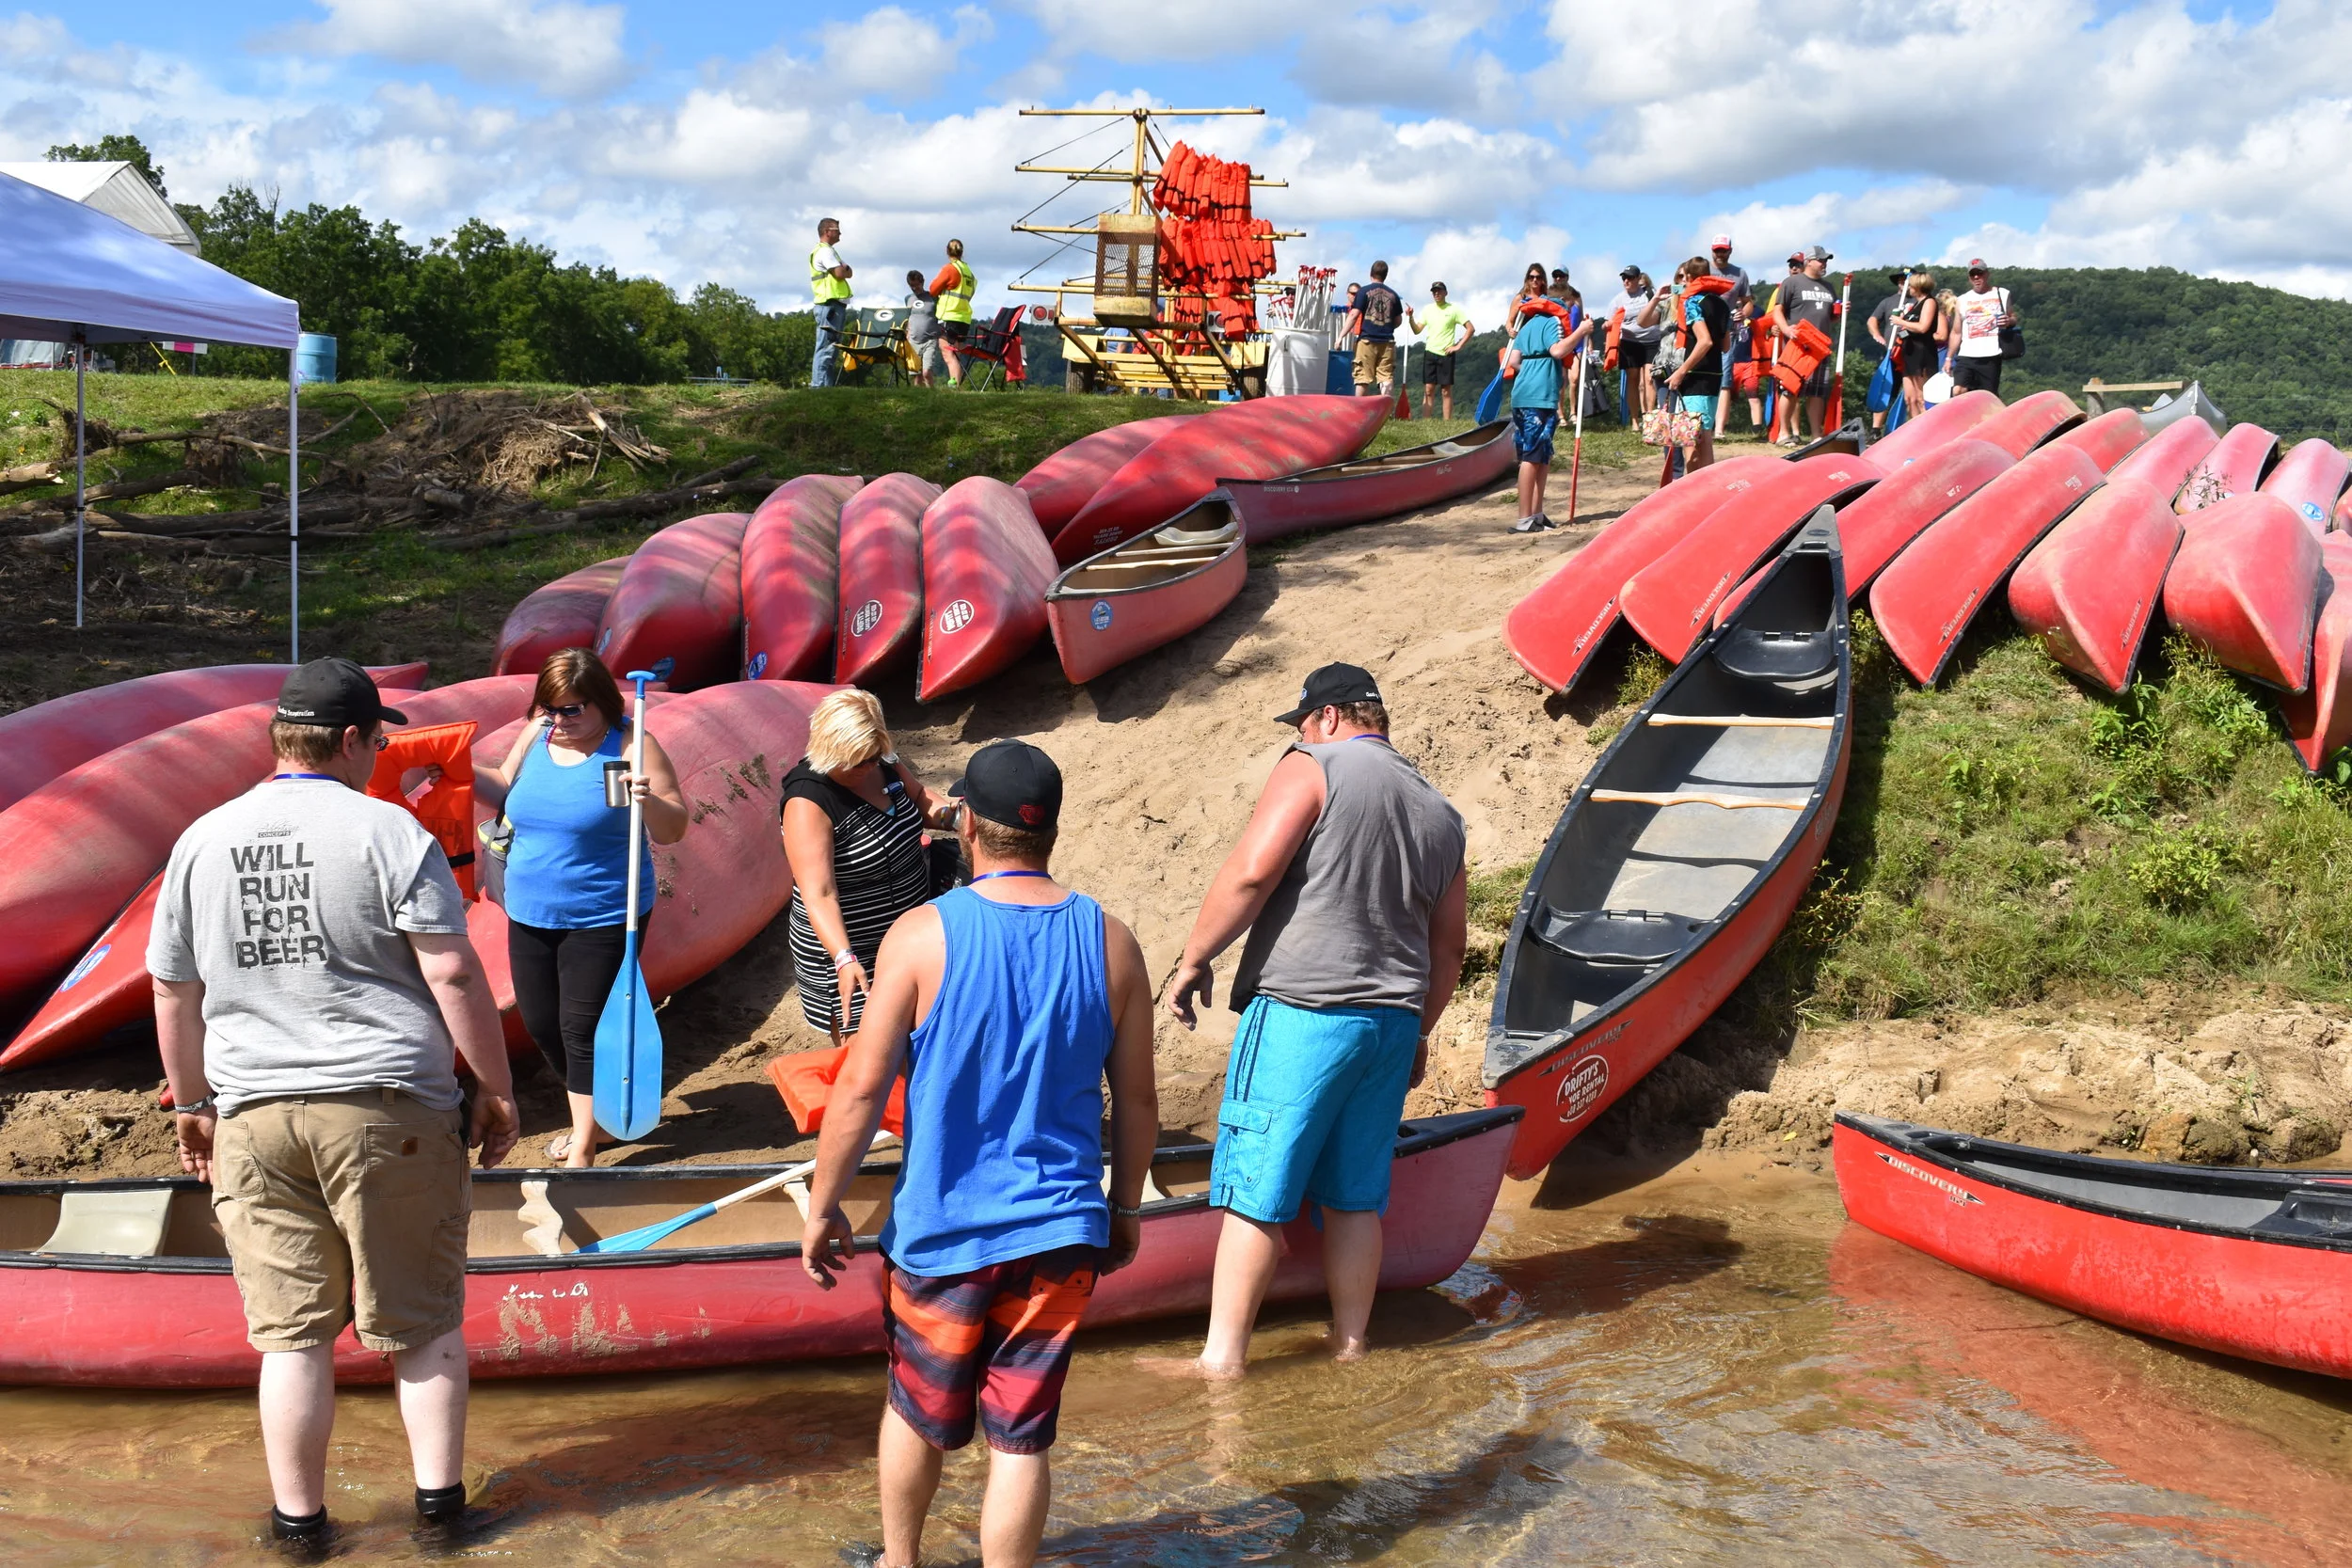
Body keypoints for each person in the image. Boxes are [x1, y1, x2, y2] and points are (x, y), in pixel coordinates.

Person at [151, 658, 521, 1551]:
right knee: (422, 1324)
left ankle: (300, 1527)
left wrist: (194, 1102)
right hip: (386, 1108)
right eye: (378, 742)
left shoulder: (203, 837)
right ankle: (442, 1522)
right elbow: (453, 968)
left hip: (253, 1114)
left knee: (291, 1336)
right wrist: (497, 1087)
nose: (380, 757)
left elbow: (174, 991)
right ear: (351, 739)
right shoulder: (388, 830)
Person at [800, 738, 1158, 1568]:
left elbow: (858, 1091)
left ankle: (900, 1559)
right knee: (1022, 1439)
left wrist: (824, 1207)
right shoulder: (1113, 940)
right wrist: (1128, 1207)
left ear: (967, 824)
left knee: (916, 1407)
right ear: (1051, 831)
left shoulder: (921, 934)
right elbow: (1135, 1101)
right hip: (1061, 1227)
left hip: (942, 1232)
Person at [1159, 663, 1468, 1377]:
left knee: (1256, 1190)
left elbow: (1250, 872)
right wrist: (1418, 1030)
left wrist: (1195, 957)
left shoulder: (1313, 765)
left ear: (1329, 716)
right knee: (1356, 1197)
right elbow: (1447, 947)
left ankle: (1222, 1360)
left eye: (1301, 722)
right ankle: (1351, 1345)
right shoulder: (1440, 811)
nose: (1298, 735)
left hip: (1306, 1010)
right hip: (1390, 1023)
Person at [474, 649, 687, 1167]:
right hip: (529, 910)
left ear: (603, 704)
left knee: (581, 1028)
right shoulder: (538, 734)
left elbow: (674, 827)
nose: (560, 721)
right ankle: (603, 1119)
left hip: (605, 913)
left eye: (573, 710)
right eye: (550, 708)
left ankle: (585, 1144)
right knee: (543, 1023)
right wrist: (455, 766)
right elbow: (503, 785)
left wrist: (647, 799)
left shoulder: (633, 743)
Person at [780, 689, 955, 1050]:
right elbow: (819, 892)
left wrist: (958, 817)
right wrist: (844, 959)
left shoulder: (883, 761)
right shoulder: (807, 801)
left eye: (873, 757)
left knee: (922, 1036)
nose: (868, 767)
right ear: (830, 750)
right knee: (868, 1053)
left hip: (907, 932)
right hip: (851, 946)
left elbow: (920, 799)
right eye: (856, 760)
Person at [1501, 276, 1575, 532]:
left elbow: (1514, 361)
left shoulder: (1528, 323)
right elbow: (1557, 351)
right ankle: (1524, 519)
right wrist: (1582, 333)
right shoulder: (1554, 321)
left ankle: (1536, 515)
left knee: (1541, 456)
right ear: (1563, 301)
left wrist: (1532, 368)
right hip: (1539, 397)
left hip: (1522, 395)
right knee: (1532, 458)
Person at [1662, 256, 1733, 470]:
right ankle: (1708, 489)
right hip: (1715, 376)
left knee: (1691, 441)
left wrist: (1681, 372)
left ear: (1691, 278)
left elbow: (1705, 341)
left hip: (1695, 378)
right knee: (1706, 437)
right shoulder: (1722, 303)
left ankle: (1695, 492)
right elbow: (1725, 346)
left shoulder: (1693, 301)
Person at [1768, 245, 1840, 443]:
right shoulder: (1792, 282)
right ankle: (1784, 433)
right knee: (1791, 389)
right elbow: (1778, 311)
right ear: (1809, 261)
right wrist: (1786, 330)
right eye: (1821, 260)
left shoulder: (1829, 287)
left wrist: (1840, 313)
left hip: (1821, 346)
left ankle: (1817, 435)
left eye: (1826, 261)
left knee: (1817, 392)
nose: (1824, 264)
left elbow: (1830, 317)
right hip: (1799, 344)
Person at [1950, 259, 2018, 395]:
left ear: (1987, 274)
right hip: (1966, 354)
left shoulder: (2002, 293)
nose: (1976, 277)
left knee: (1988, 395)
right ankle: (1965, 416)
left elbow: (2013, 317)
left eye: (1979, 273)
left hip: (1991, 354)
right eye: (1972, 274)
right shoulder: (1962, 299)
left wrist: (2009, 321)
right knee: (1958, 390)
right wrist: (1948, 357)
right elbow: (1956, 332)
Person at [1406, 280, 1470, 420]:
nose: (1436, 293)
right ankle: (1426, 421)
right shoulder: (1428, 309)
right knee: (1428, 389)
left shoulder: (1454, 309)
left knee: (1445, 391)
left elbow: (1470, 329)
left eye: (1439, 291)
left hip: (1446, 353)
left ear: (1445, 293)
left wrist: (1458, 346)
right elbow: (1417, 330)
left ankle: (1447, 422)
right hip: (1430, 352)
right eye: (1434, 291)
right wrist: (1411, 317)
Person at [1606, 264, 1662, 420]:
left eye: (1630, 277)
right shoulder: (1618, 300)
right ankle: (1635, 420)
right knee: (1633, 380)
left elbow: (1661, 310)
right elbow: (1609, 321)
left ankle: (1649, 418)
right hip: (1629, 343)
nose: (1626, 281)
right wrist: (1607, 326)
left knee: (1649, 379)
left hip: (1652, 341)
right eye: (1624, 278)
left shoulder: (1649, 294)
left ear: (1638, 279)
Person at [1347, 261, 1404, 399]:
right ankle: (1387, 412)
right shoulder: (1393, 294)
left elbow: (1354, 314)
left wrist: (1340, 336)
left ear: (1371, 273)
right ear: (1386, 275)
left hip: (1367, 340)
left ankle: (1359, 410)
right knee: (1386, 377)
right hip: (1387, 341)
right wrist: (1387, 326)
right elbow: (1398, 320)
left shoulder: (1363, 292)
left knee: (1362, 378)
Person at [927, 240, 977, 388]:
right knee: (957, 354)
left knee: (948, 353)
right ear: (962, 252)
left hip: (949, 316)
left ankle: (954, 386)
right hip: (964, 318)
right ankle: (955, 384)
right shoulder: (969, 273)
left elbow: (933, 289)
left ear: (947, 251)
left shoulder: (949, 269)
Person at [810, 218, 854, 388]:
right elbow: (841, 273)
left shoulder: (829, 251)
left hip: (832, 305)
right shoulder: (825, 252)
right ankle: (818, 387)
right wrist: (845, 268)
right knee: (826, 348)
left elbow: (847, 272)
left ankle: (825, 389)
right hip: (829, 305)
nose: (840, 233)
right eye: (837, 229)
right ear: (828, 231)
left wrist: (845, 268)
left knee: (831, 349)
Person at [1892, 271, 1943, 418]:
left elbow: (1923, 327)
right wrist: (1903, 323)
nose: (1909, 288)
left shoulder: (1929, 302)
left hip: (1922, 353)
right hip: (1909, 353)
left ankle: (1929, 428)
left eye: (1911, 285)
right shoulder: (1916, 305)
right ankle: (1914, 427)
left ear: (1918, 286)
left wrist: (1901, 322)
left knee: (1922, 398)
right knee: (1910, 398)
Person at [1865, 268, 1910, 433]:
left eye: (1907, 279)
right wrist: (1878, 336)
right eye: (1901, 280)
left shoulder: (1919, 301)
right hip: (1891, 352)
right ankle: (1875, 430)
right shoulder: (1888, 301)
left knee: (1910, 392)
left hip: (1912, 353)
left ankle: (1901, 429)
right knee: (1886, 389)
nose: (1904, 282)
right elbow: (1872, 320)